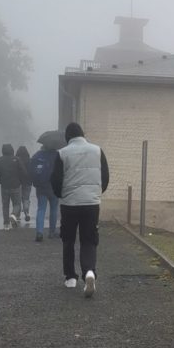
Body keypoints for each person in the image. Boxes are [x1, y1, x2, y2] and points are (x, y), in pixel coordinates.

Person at [51, 123, 109, 297]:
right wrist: (96, 193)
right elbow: (105, 177)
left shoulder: (62, 153)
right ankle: (89, 272)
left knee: (68, 239)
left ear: (67, 137)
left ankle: (70, 277)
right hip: (91, 204)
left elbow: (55, 180)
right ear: (82, 134)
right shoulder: (97, 151)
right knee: (89, 239)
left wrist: (61, 195)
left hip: (69, 204)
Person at [0, 143, 27, 230]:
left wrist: (0, 181)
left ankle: (6, 224)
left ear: (2, 150)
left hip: (4, 186)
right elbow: (24, 172)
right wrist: (20, 181)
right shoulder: (17, 159)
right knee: (17, 204)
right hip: (16, 186)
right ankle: (13, 215)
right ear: (12, 150)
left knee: (5, 205)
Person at [28, 144, 59, 242]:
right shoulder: (57, 155)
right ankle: (52, 232)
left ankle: (39, 232)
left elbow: (30, 171)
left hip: (41, 187)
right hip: (54, 187)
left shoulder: (37, 156)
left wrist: (35, 183)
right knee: (54, 209)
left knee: (41, 209)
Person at [15, 145, 32, 223]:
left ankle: (17, 216)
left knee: (18, 199)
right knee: (26, 198)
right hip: (28, 182)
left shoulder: (16, 160)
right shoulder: (29, 160)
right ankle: (27, 213)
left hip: (18, 183)